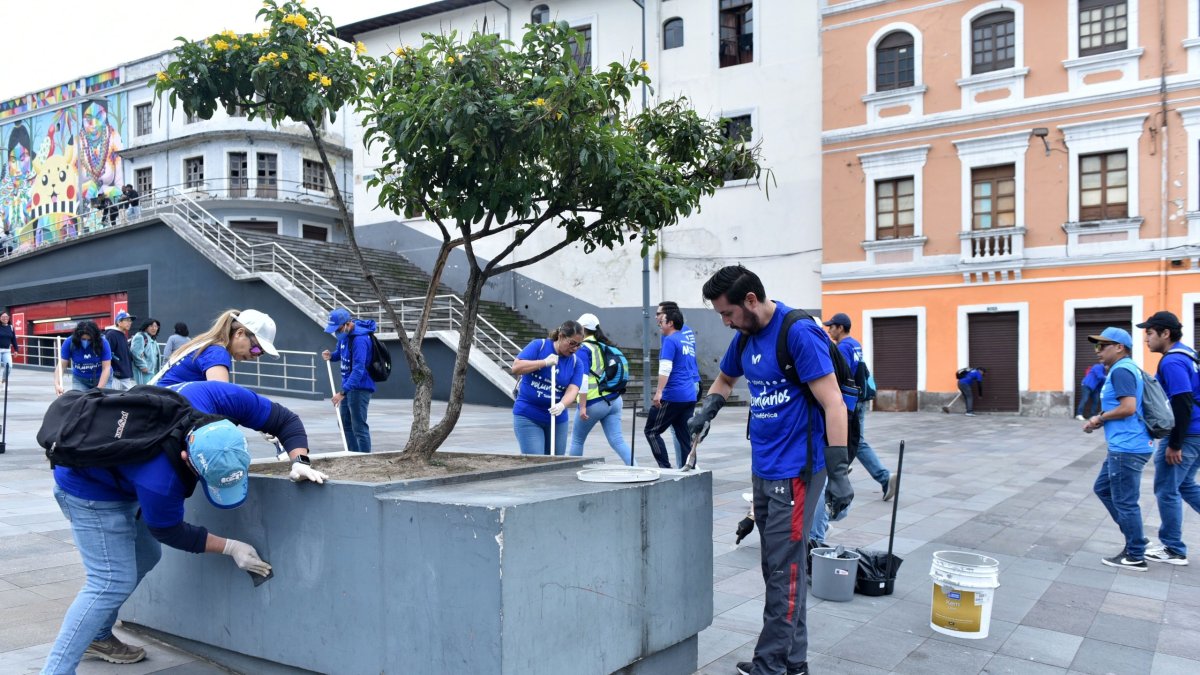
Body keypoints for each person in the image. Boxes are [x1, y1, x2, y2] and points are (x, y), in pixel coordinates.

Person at [40, 380, 328, 672]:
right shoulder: (161, 479)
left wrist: (299, 459)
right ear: (185, 457)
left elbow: (285, 420)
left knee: (148, 556)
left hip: (123, 470)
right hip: (86, 489)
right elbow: (168, 530)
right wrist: (231, 547)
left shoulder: (212, 396)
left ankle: (98, 635)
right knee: (111, 581)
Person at [686, 265, 850, 675]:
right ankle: (794, 662)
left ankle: (770, 665)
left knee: (783, 569)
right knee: (780, 566)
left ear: (751, 301)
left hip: (797, 469)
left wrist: (840, 469)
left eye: (727, 313)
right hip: (764, 465)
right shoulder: (744, 337)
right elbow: (724, 379)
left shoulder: (797, 332)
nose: (725, 323)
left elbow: (834, 402)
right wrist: (709, 408)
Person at [1082, 327, 1154, 571]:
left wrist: (1099, 418)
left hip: (1127, 447)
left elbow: (1128, 407)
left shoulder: (1122, 370)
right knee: (1102, 488)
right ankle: (1137, 538)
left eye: (1103, 346)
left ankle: (1135, 554)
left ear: (1120, 347)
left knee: (1125, 502)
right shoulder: (1125, 369)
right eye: (1097, 346)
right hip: (1127, 445)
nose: (1098, 351)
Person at [1138, 311, 1200, 566]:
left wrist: (1175, 443)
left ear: (1165, 333)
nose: (1146, 339)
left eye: (1150, 333)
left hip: (1187, 434)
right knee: (1185, 486)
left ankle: (1173, 549)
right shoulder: (1189, 354)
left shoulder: (1172, 361)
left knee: (1166, 489)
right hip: (1196, 432)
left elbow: (1183, 401)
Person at [822, 312, 896, 501]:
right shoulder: (855, 344)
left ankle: (883, 476)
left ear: (840, 327)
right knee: (852, 439)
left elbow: (840, 375)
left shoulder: (843, 348)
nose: (829, 330)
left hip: (850, 401)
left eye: (832, 326)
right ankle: (844, 467)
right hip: (860, 398)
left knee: (854, 440)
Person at [511, 320, 586, 456]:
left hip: (557, 418)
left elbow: (573, 389)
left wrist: (562, 405)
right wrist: (544, 362)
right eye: (572, 343)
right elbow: (516, 367)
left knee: (556, 462)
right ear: (561, 336)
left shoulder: (576, 363)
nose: (575, 348)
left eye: (579, 345)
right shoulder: (539, 346)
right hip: (528, 414)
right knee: (536, 461)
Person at [568, 313, 633, 464]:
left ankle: (571, 472)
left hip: (593, 401)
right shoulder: (603, 346)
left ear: (582, 329)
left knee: (577, 440)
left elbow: (583, 379)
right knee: (618, 441)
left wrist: (582, 406)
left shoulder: (583, 349)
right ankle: (635, 468)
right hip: (614, 400)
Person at [156, 309, 277, 386]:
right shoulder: (217, 353)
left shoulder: (206, 344)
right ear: (239, 333)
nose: (255, 356)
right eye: (256, 348)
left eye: (261, 353)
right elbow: (221, 400)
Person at [644, 301, 700, 468]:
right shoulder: (686, 340)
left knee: (652, 431)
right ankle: (689, 468)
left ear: (670, 323)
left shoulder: (670, 340)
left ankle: (665, 467)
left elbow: (666, 367)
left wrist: (659, 391)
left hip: (673, 394)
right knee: (684, 435)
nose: (659, 323)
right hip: (689, 395)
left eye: (662, 320)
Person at [321, 307, 377, 453]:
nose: (336, 332)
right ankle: (353, 454)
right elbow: (340, 353)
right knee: (344, 423)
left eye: (338, 328)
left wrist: (342, 392)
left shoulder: (360, 339)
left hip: (360, 387)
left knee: (358, 426)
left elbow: (358, 370)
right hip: (347, 386)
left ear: (347, 324)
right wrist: (331, 356)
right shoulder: (344, 336)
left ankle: (364, 459)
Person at [55, 321, 112, 394]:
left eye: (89, 340)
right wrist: (57, 384)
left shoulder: (103, 343)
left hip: (102, 377)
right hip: (80, 380)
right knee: (80, 402)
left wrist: (98, 390)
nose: (86, 342)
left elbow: (106, 368)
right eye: (83, 339)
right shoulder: (69, 342)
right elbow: (61, 366)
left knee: (102, 402)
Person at [104, 311, 137, 391]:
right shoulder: (111, 334)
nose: (130, 323)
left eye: (130, 321)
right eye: (127, 320)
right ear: (119, 322)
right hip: (116, 376)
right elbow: (107, 355)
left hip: (124, 374)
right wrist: (115, 371)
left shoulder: (122, 334)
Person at [130, 318, 162, 386]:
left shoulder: (152, 340)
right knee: (142, 392)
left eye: (156, 326)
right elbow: (135, 353)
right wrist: (142, 366)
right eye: (151, 326)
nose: (154, 328)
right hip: (143, 372)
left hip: (152, 372)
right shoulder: (140, 337)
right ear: (146, 327)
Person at [0, 311, 17, 384]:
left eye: (6, 317)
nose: (5, 318)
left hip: (7, 350)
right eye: (3, 317)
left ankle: (3, 381)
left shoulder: (11, 327)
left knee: (9, 366)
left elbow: (14, 339)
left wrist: (16, 350)